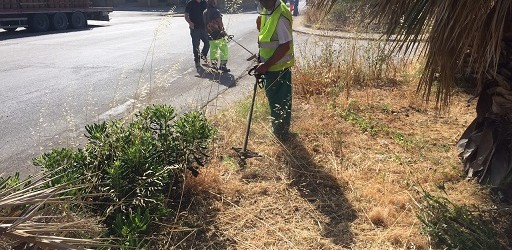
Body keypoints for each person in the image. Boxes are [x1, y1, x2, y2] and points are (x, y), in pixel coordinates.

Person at [255, 0, 294, 140]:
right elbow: (268, 37)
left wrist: (266, 65)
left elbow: (285, 46)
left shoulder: (281, 15)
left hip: (278, 69)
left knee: (280, 102)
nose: (262, 3)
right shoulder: (268, 9)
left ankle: (281, 133)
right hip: (270, 68)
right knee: (274, 101)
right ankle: (278, 130)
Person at [203, 0, 229, 72]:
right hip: (218, 35)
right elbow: (219, 22)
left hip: (210, 35)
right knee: (224, 50)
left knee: (213, 50)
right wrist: (223, 31)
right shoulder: (216, 11)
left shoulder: (205, 12)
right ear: (213, 2)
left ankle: (214, 65)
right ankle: (223, 65)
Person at [185, 0, 209, 67]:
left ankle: (203, 55)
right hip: (195, 28)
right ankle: (197, 61)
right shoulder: (190, 3)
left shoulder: (204, 3)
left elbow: (208, 13)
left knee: (208, 43)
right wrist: (190, 22)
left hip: (204, 28)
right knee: (196, 46)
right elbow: (186, 15)